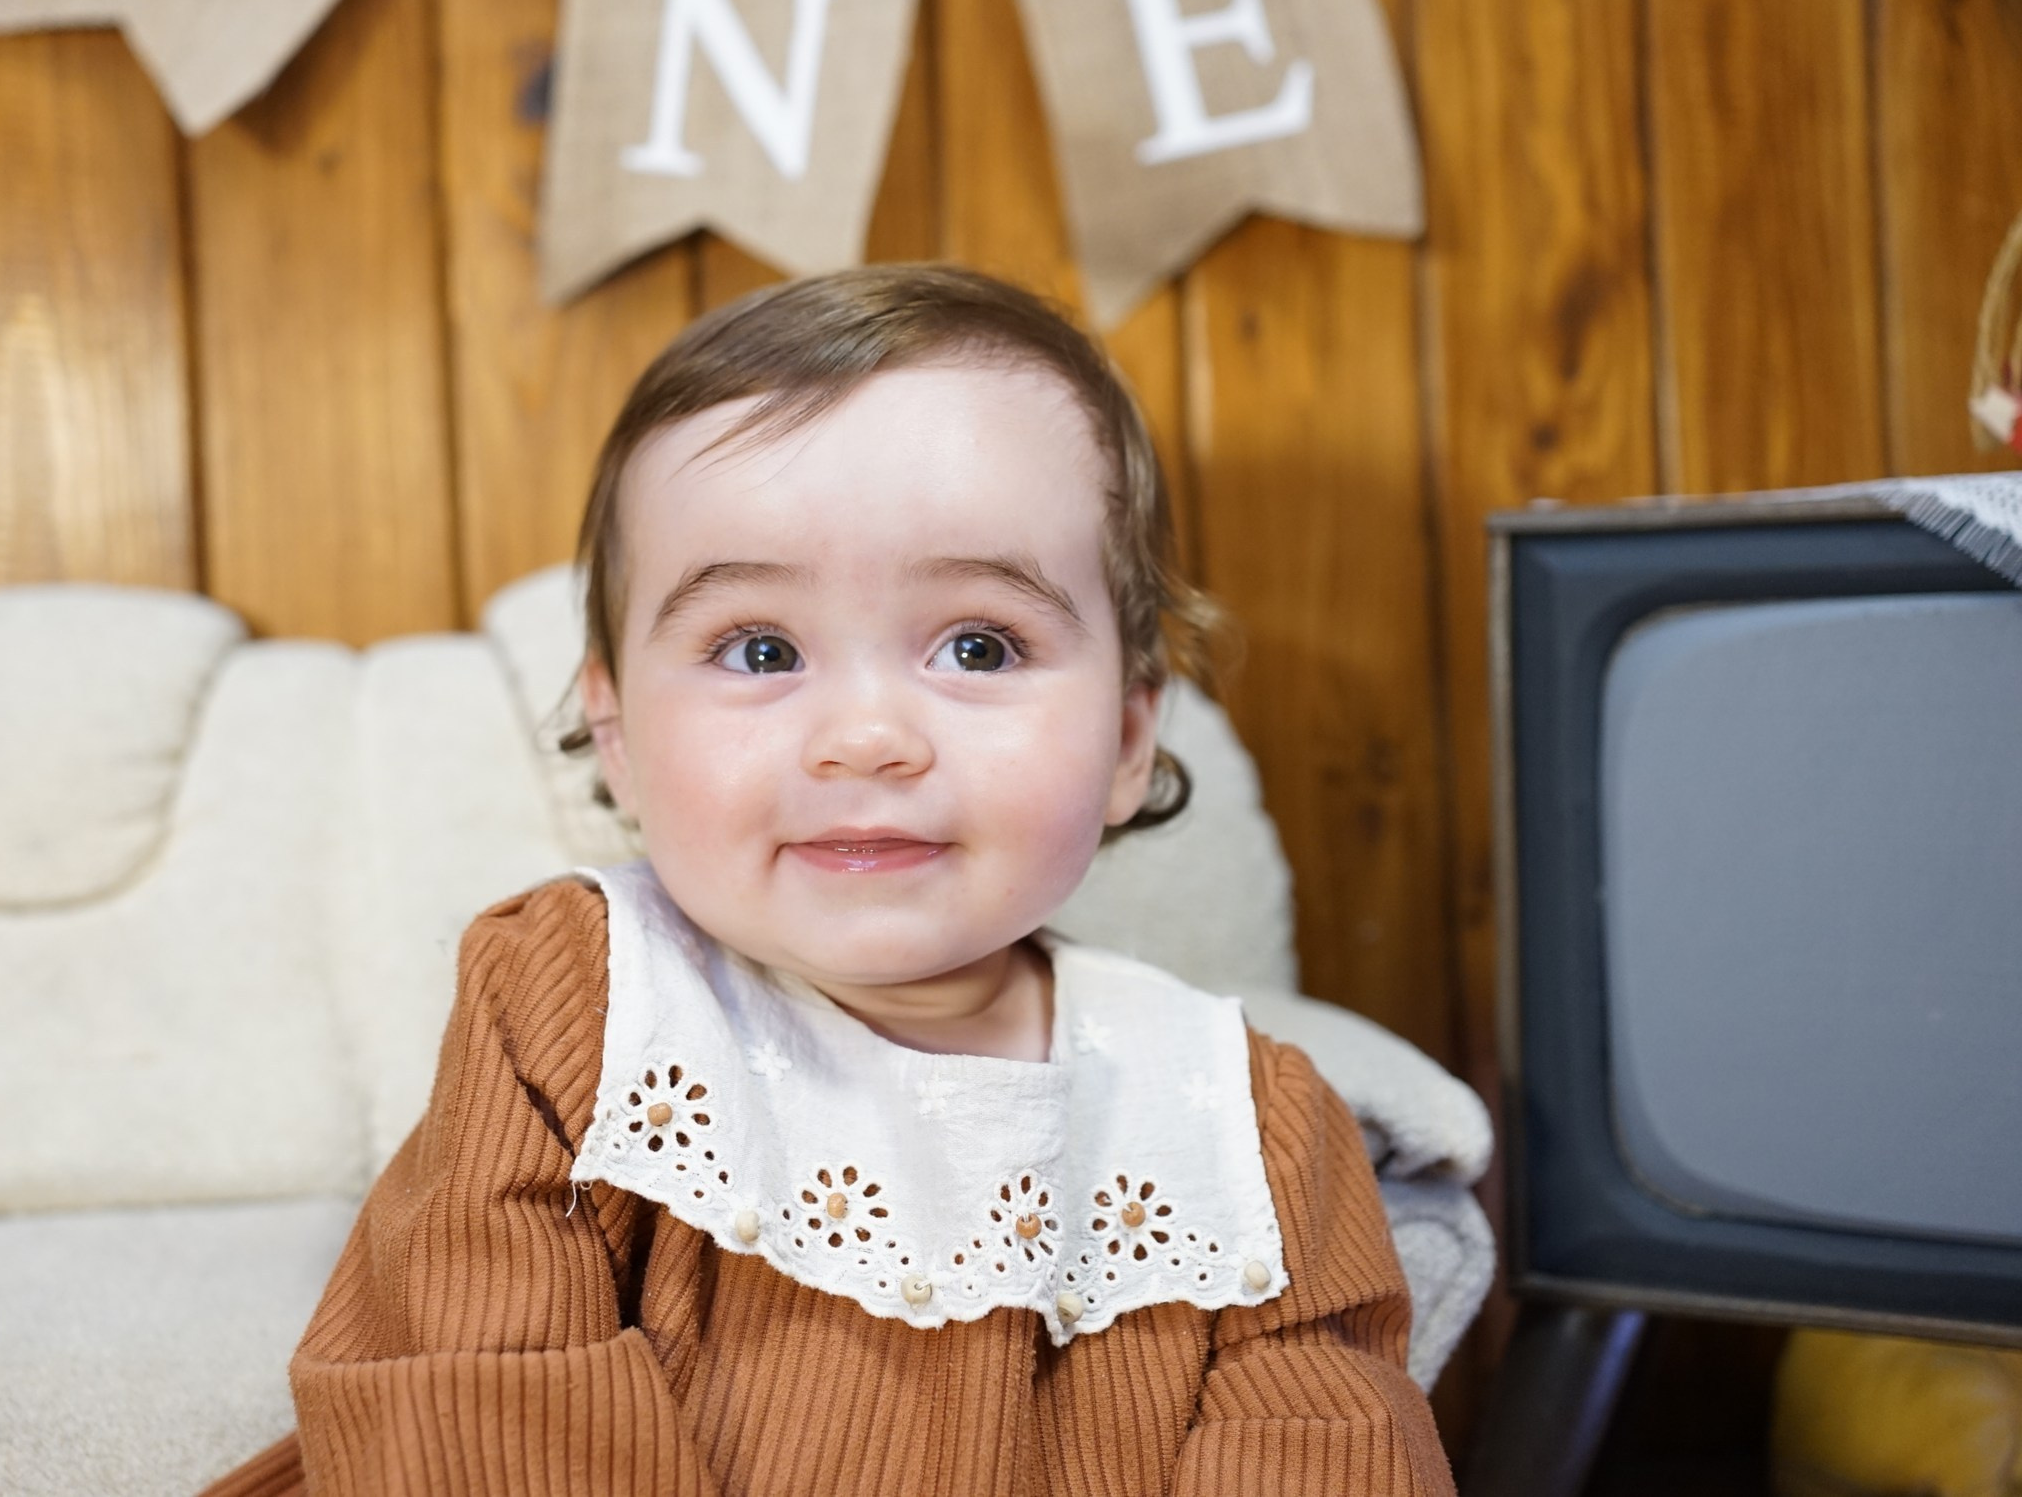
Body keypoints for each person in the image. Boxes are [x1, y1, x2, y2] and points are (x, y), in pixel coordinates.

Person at [202, 264, 1455, 1497]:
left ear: (1129, 739)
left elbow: (1320, 1449)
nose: (865, 736)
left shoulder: (1246, 1124)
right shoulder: (574, 1004)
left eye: (979, 644)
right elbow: (471, 1393)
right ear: (621, 732)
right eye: (759, 649)